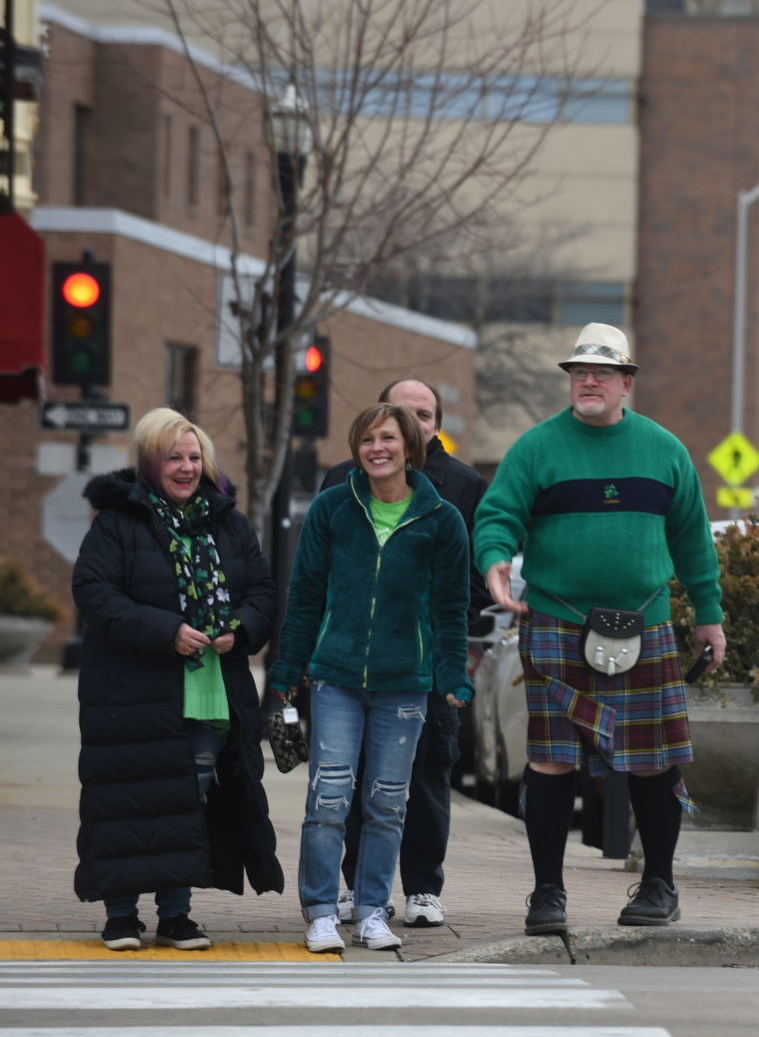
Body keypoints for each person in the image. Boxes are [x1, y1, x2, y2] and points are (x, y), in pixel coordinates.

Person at [475, 321, 726, 934]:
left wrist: (710, 617)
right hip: (558, 622)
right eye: (580, 372)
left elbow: (693, 541)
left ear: (626, 383)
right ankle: (547, 895)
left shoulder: (665, 450)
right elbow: (498, 515)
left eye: (603, 372)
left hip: (647, 624)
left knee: (653, 762)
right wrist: (496, 561)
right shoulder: (536, 448)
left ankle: (659, 885)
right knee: (551, 760)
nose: (589, 381)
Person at [71, 408, 282, 950]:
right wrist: (167, 630)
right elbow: (96, 595)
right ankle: (121, 915)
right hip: (132, 695)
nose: (187, 468)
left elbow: (261, 591)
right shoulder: (117, 523)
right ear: (149, 462)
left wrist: (242, 628)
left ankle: (176, 914)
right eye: (174, 458)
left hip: (210, 693)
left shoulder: (229, 524)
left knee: (188, 800)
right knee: (129, 799)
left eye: (194, 457)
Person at [268, 403, 474, 953]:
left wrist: (452, 675)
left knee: (388, 800)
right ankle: (319, 910)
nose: (376, 448)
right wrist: (287, 669)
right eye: (366, 440)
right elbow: (305, 595)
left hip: (406, 681)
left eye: (387, 438)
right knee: (329, 795)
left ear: (410, 446)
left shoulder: (442, 519)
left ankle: (371, 910)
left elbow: (453, 609)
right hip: (335, 678)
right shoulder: (334, 507)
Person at [314, 378, 491, 930]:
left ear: (436, 425)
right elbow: (312, 580)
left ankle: (422, 888)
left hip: (427, 665)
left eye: (425, 414)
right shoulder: (341, 485)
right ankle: (355, 889)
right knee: (348, 779)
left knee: (426, 775)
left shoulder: (461, 487)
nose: (413, 425)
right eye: (402, 414)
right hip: (350, 664)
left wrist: (444, 642)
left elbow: (477, 579)